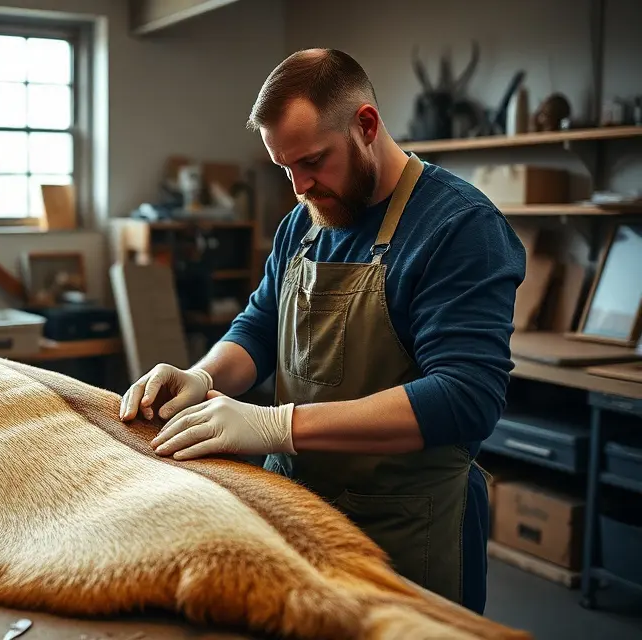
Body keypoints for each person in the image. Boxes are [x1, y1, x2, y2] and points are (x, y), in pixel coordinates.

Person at [118, 48, 526, 614]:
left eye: (312, 161)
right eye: (285, 168)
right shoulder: (305, 222)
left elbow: (464, 398)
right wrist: (202, 374)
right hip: (301, 513)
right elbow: (261, 326)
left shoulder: (458, 227)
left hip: (405, 532)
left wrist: (275, 424)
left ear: (366, 125)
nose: (299, 187)